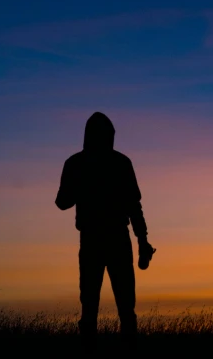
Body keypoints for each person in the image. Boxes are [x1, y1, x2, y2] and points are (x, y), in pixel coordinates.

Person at [55, 112, 155, 344]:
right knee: (114, 305)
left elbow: (62, 202)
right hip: (110, 239)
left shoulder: (77, 163)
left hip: (100, 240)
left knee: (101, 305)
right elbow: (134, 207)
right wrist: (142, 240)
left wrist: (143, 241)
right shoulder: (118, 163)